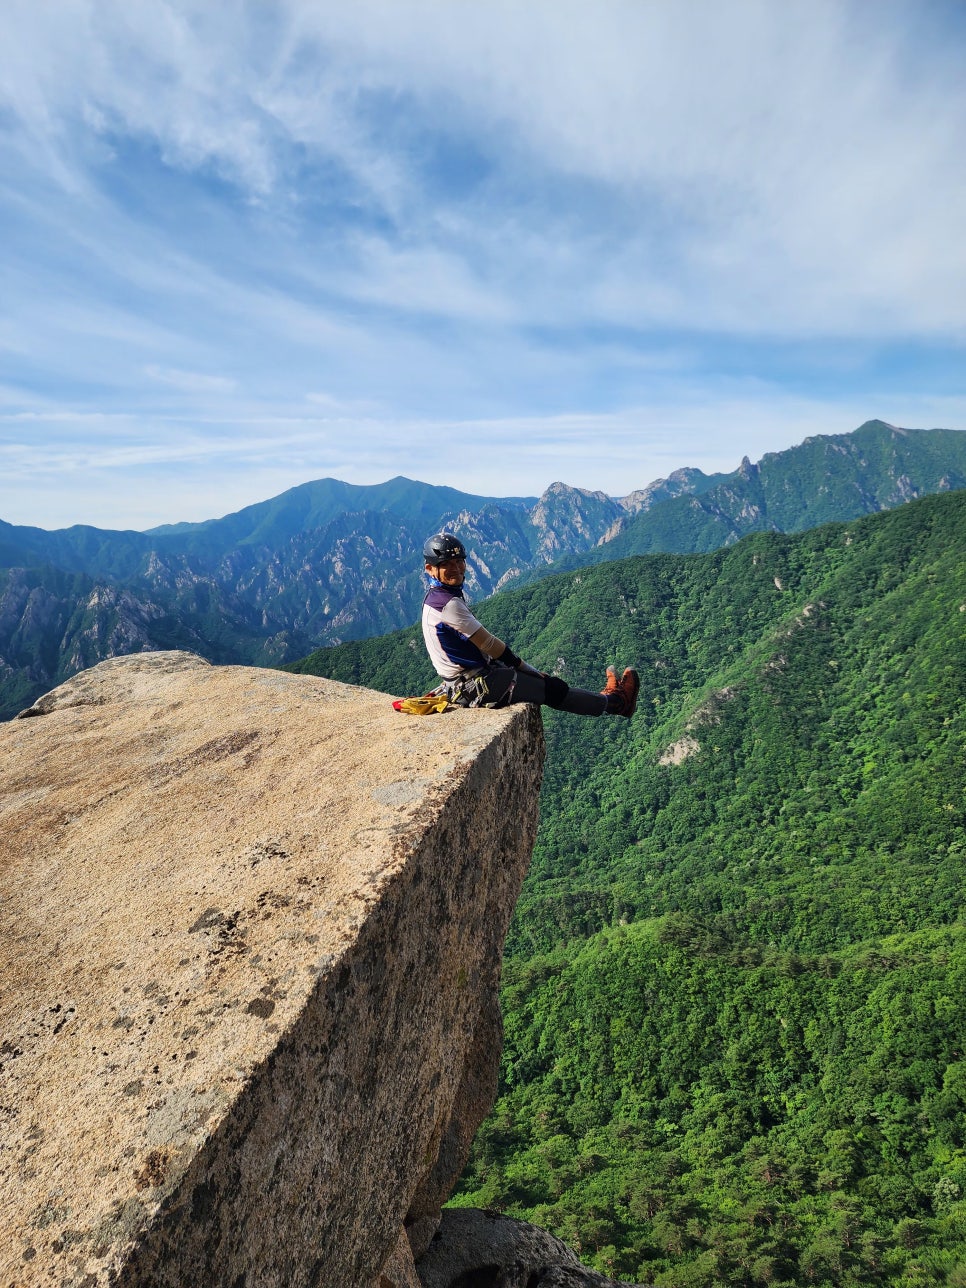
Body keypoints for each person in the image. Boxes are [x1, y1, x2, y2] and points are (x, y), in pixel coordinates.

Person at [421, 532, 639, 717]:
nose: (457, 568)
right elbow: (489, 644)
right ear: (430, 568)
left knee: (547, 682)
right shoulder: (448, 605)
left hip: (466, 679)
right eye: (446, 564)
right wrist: (525, 668)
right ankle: (617, 703)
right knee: (553, 689)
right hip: (476, 685)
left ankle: (607, 698)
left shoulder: (435, 598)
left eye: (459, 561)